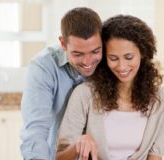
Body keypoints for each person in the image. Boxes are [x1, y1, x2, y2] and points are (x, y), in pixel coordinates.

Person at [56, 15, 164, 160]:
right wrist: (78, 145)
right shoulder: (84, 95)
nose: (122, 66)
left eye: (129, 57)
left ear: (142, 53)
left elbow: (155, 155)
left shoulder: (163, 100)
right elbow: (60, 156)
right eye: (113, 58)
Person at [20, 7, 103, 160]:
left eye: (95, 52)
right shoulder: (43, 67)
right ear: (63, 44)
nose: (88, 62)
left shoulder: (110, 62)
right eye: (78, 54)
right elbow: (36, 130)